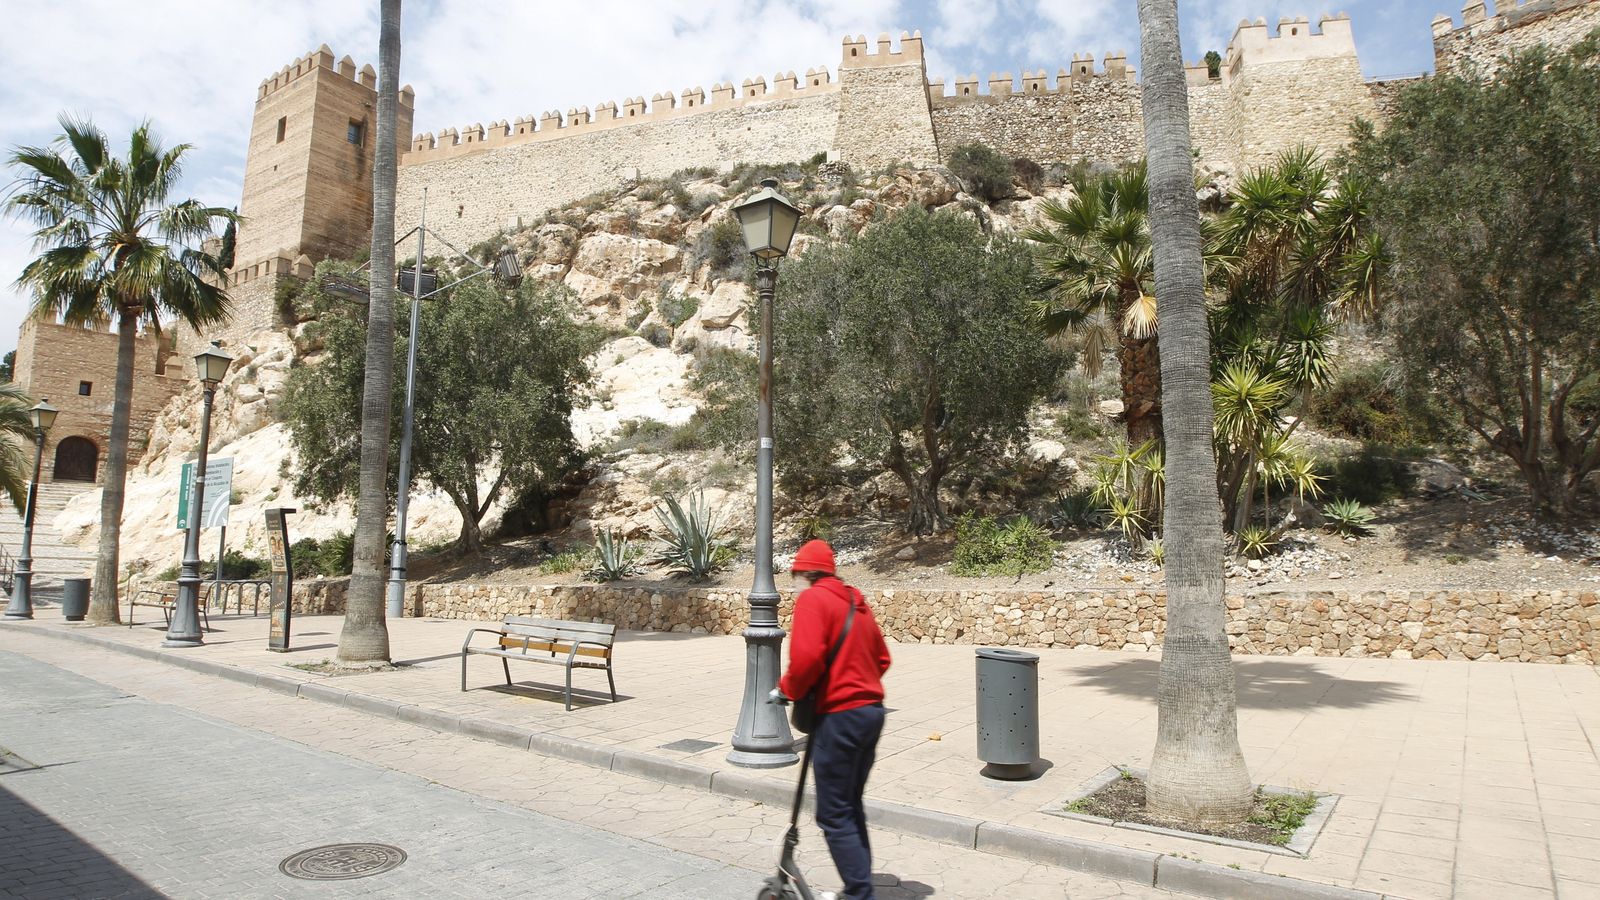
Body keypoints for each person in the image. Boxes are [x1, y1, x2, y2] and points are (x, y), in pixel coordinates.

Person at [777, 539, 891, 900]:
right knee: (850, 804)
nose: (793, 585)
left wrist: (787, 688)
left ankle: (859, 894)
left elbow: (807, 658)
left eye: (794, 577)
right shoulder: (855, 601)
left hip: (839, 715)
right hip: (871, 712)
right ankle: (859, 887)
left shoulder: (813, 599)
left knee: (833, 814)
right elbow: (883, 659)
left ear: (804, 573)